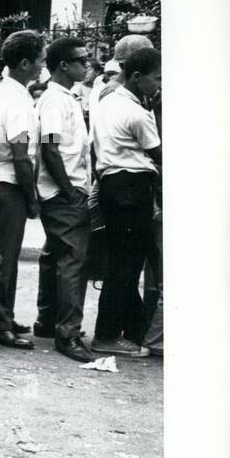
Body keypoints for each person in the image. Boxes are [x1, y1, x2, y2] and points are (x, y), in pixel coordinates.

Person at [90, 47, 161, 357]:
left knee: (124, 262)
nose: (159, 85)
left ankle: (133, 330)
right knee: (126, 266)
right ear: (136, 76)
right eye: (156, 79)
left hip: (112, 183)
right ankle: (106, 335)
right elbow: (160, 154)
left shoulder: (109, 101)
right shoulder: (137, 114)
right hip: (132, 186)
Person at [0, 30, 44, 349]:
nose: (44, 65)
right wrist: (32, 198)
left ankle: (2, 315)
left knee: (5, 256)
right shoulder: (16, 99)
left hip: (0, 180)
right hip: (9, 184)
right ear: (25, 63)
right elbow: (21, 156)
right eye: (41, 59)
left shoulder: (3, 93)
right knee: (4, 258)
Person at [32, 37, 95, 362]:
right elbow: (50, 146)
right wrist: (69, 190)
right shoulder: (55, 101)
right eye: (81, 60)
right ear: (63, 66)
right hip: (62, 192)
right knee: (73, 259)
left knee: (55, 255)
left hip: (63, 189)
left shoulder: (66, 97)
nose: (87, 65)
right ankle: (67, 334)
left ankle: (47, 319)